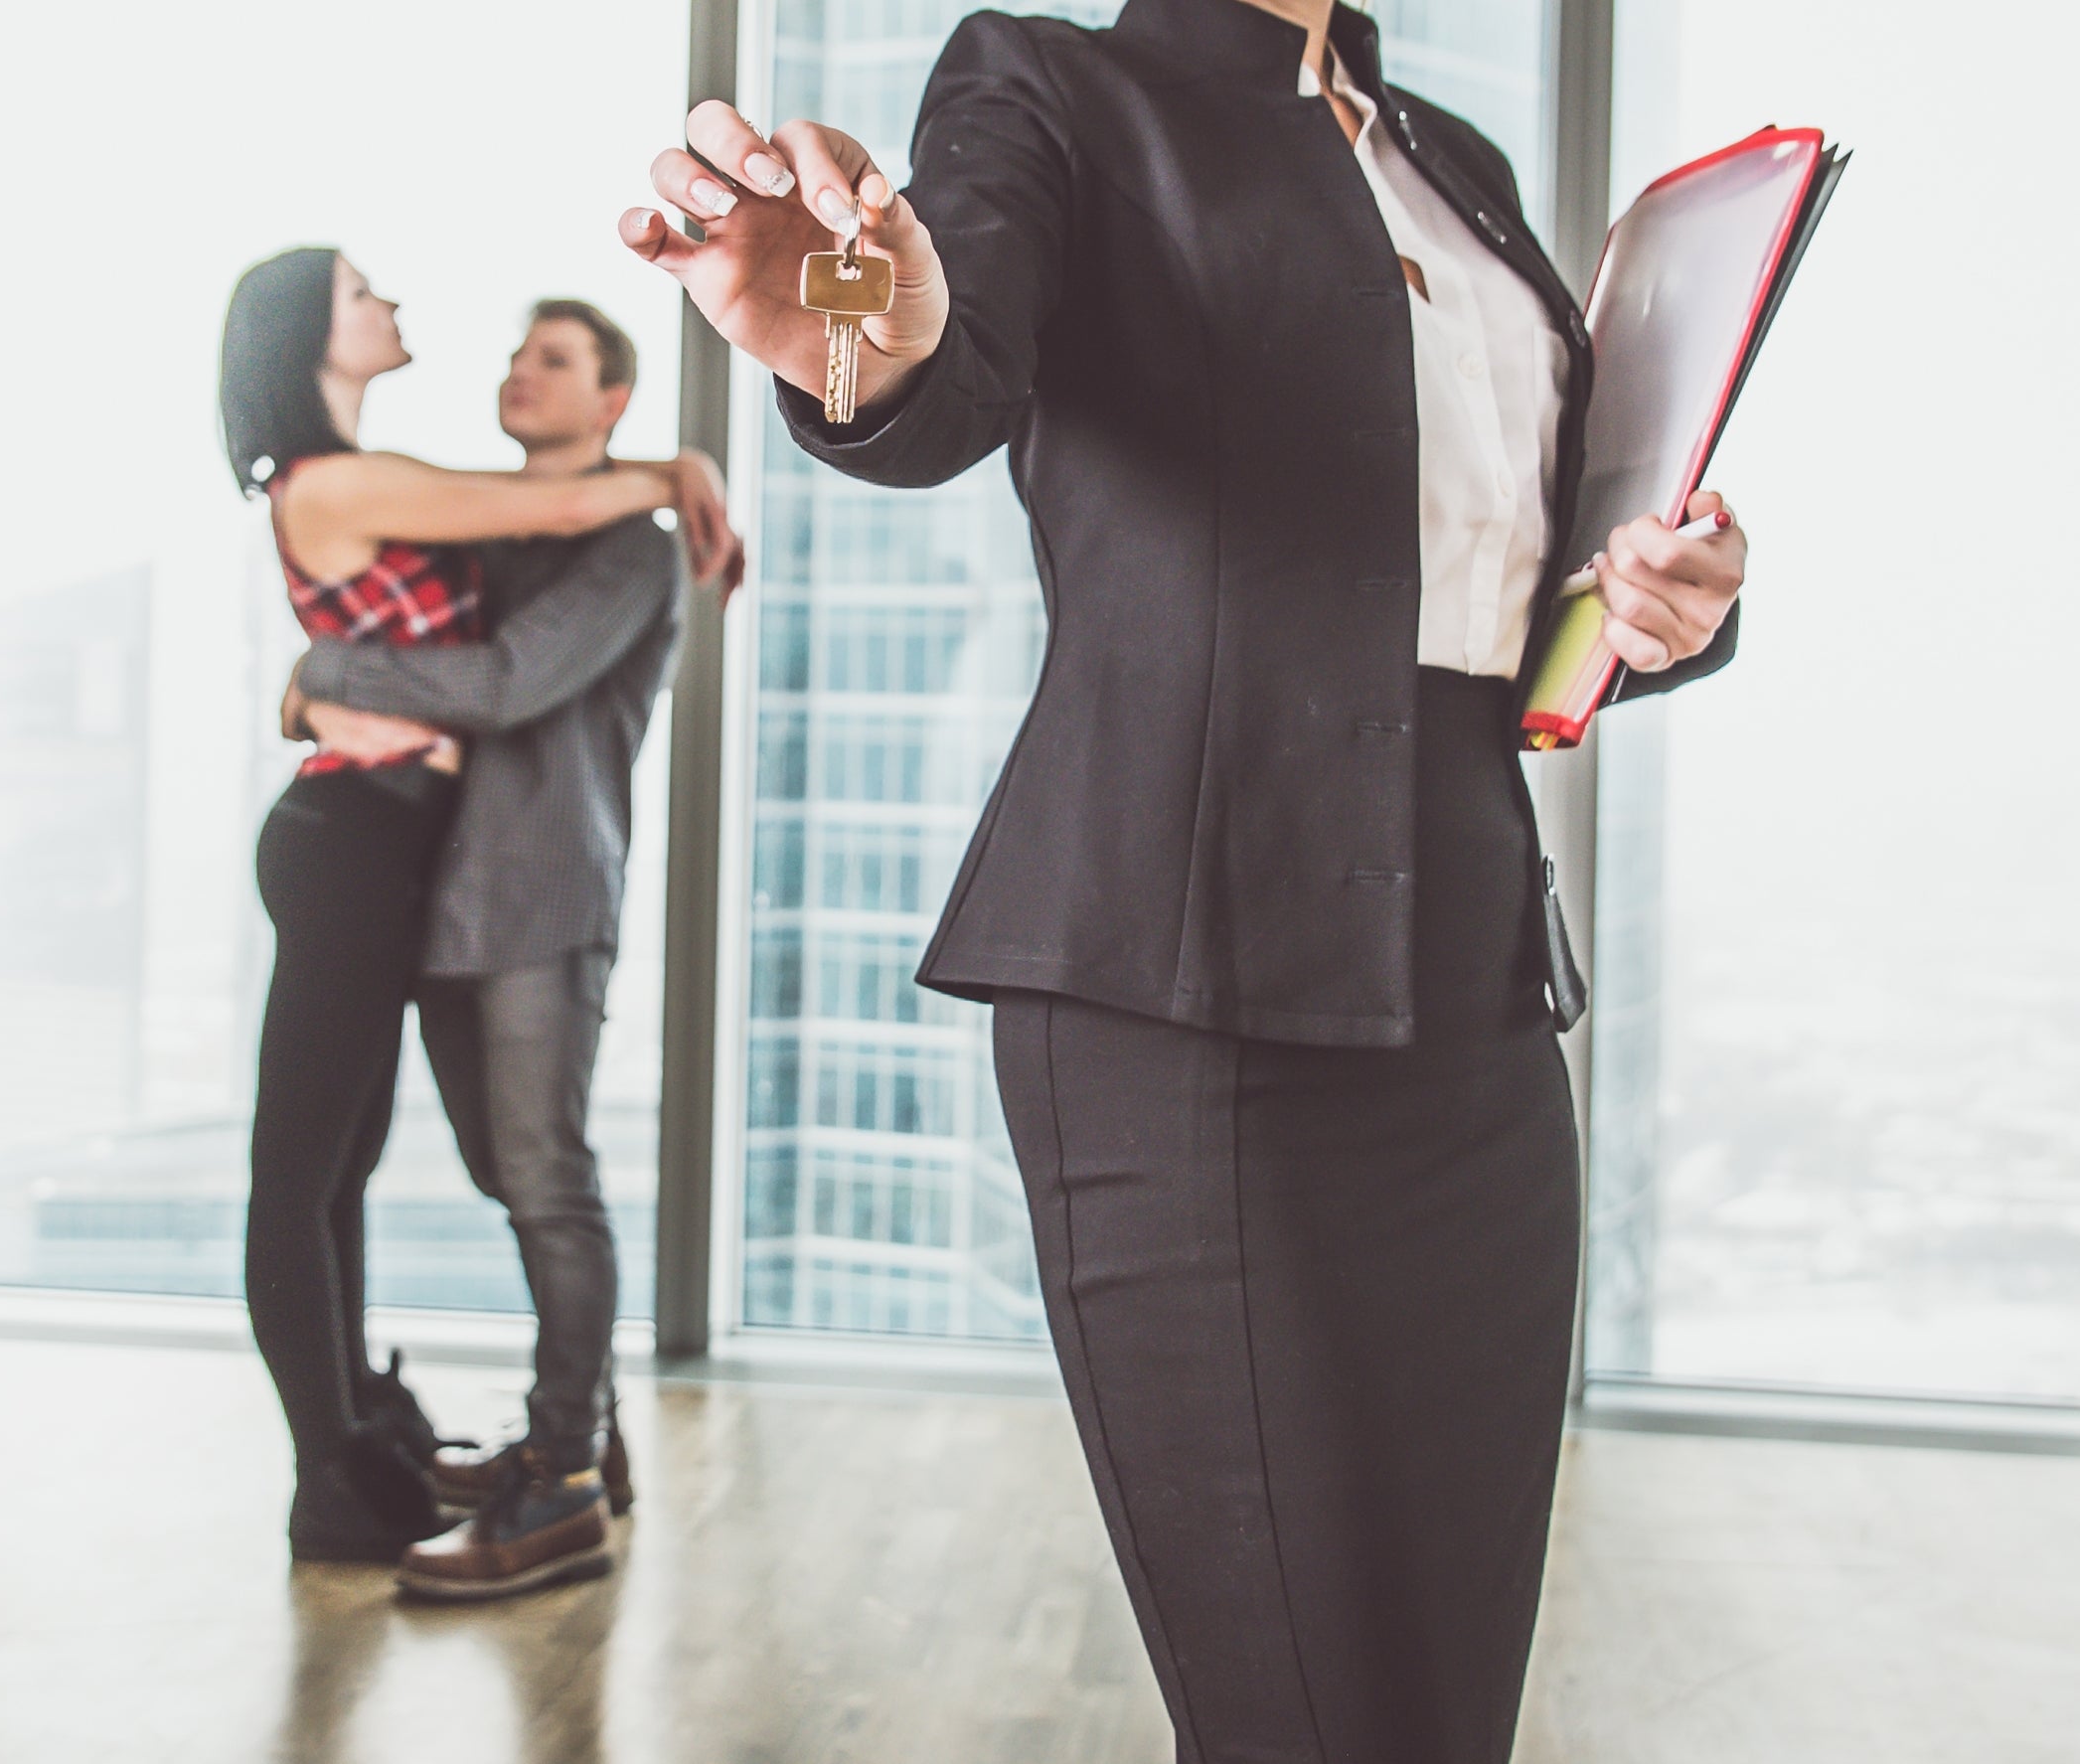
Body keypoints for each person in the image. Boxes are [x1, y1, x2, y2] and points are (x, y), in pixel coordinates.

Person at [622, 1, 1748, 1758]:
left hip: (1473, 1003)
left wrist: (1670, 603)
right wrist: (852, 330)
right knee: (1297, 1713)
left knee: (1443, 1708)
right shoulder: (1052, 84)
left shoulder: (1452, 159)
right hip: (1182, 981)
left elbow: (1511, 565)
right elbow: (938, 373)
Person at [219, 247, 731, 1566]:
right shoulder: (458, 516)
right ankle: (515, 1441)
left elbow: (500, 682)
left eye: (554, 359)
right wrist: (311, 690)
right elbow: (491, 539)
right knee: (441, 1174)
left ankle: (561, 1468)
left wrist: (319, 675)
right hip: (413, 881)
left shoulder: (621, 552)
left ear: (611, 400)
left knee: (532, 1179)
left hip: (531, 896)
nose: (519, 372)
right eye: (516, 354)